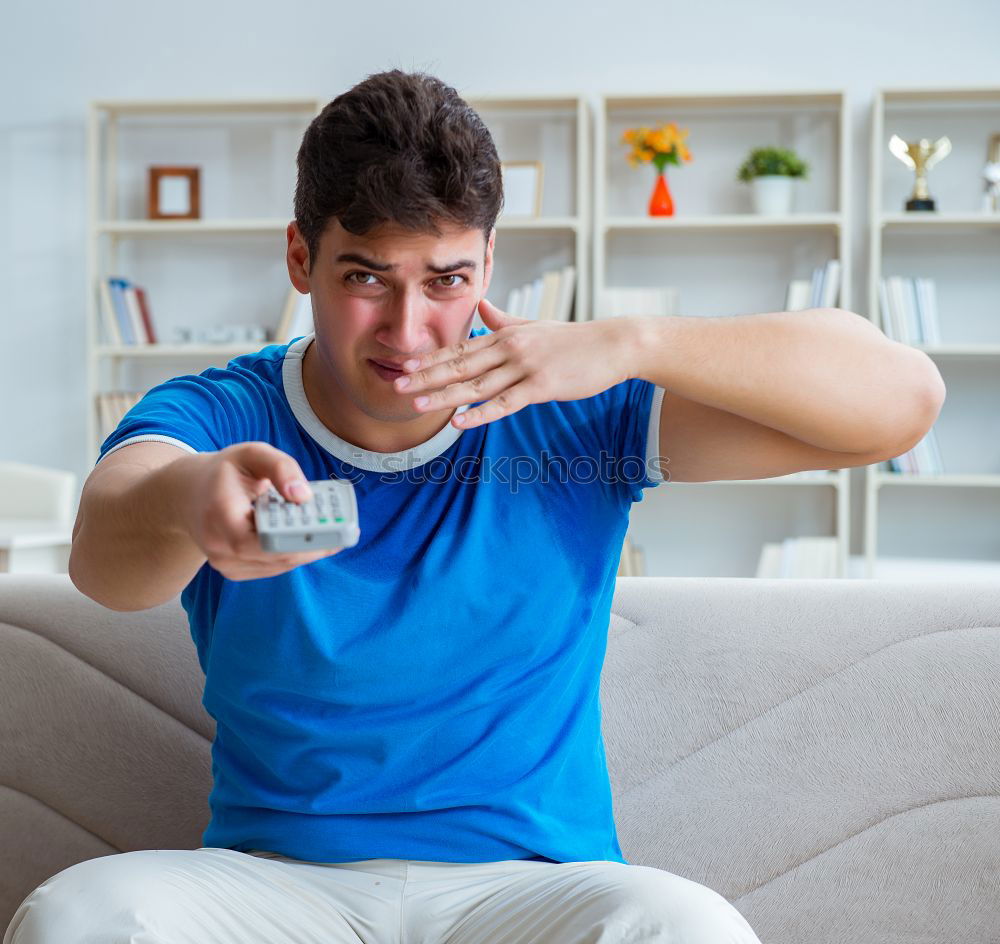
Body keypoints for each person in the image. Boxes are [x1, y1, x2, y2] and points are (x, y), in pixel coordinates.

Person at [6, 68, 942, 944]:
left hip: (531, 889)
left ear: (490, 262)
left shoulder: (575, 402)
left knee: (686, 927)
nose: (408, 333)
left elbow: (902, 402)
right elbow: (103, 557)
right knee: (83, 912)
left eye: (446, 280)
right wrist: (186, 501)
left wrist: (632, 341)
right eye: (366, 276)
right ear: (301, 256)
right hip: (279, 888)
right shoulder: (219, 413)